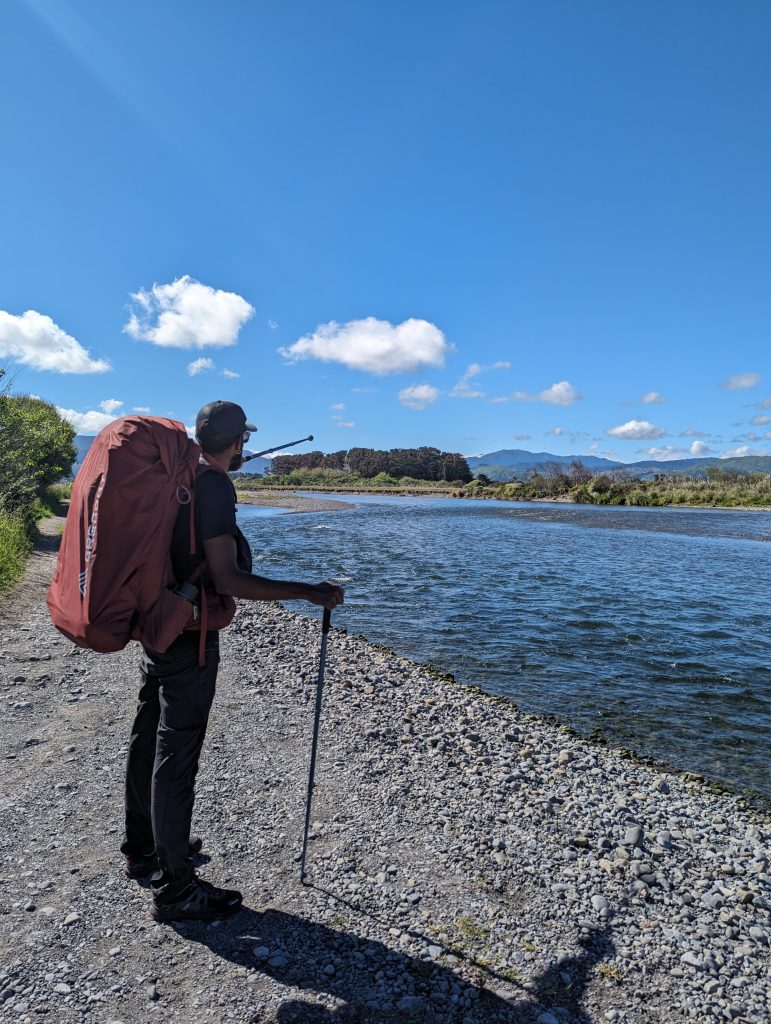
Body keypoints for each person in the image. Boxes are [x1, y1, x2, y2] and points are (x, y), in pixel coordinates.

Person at [120, 401, 344, 922]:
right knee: (177, 755)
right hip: (190, 635)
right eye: (244, 441)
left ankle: (144, 849)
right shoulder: (214, 485)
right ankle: (176, 890)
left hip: (158, 622)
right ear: (238, 442)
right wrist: (310, 592)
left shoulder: (180, 475)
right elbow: (228, 580)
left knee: (148, 734)